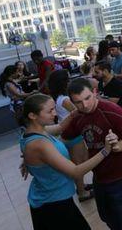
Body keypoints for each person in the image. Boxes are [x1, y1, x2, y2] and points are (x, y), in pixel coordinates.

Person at [20, 94, 118, 230]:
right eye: (50, 111)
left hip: (54, 198)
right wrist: (105, 151)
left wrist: (75, 112)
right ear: (32, 115)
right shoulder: (39, 144)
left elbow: (59, 127)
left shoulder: (36, 131)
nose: (54, 113)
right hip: (52, 205)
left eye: (54, 109)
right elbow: (75, 172)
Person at [61, 78, 122, 230]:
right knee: (107, 217)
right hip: (99, 177)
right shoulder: (78, 116)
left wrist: (116, 146)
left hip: (121, 176)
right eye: (78, 102)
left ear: (94, 92)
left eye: (87, 98)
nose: (85, 105)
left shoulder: (110, 110)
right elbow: (64, 137)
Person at [48, 70, 93, 201]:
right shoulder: (66, 99)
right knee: (80, 164)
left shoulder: (58, 98)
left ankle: (82, 186)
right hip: (73, 134)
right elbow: (79, 111)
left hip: (68, 133)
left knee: (79, 161)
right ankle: (82, 192)